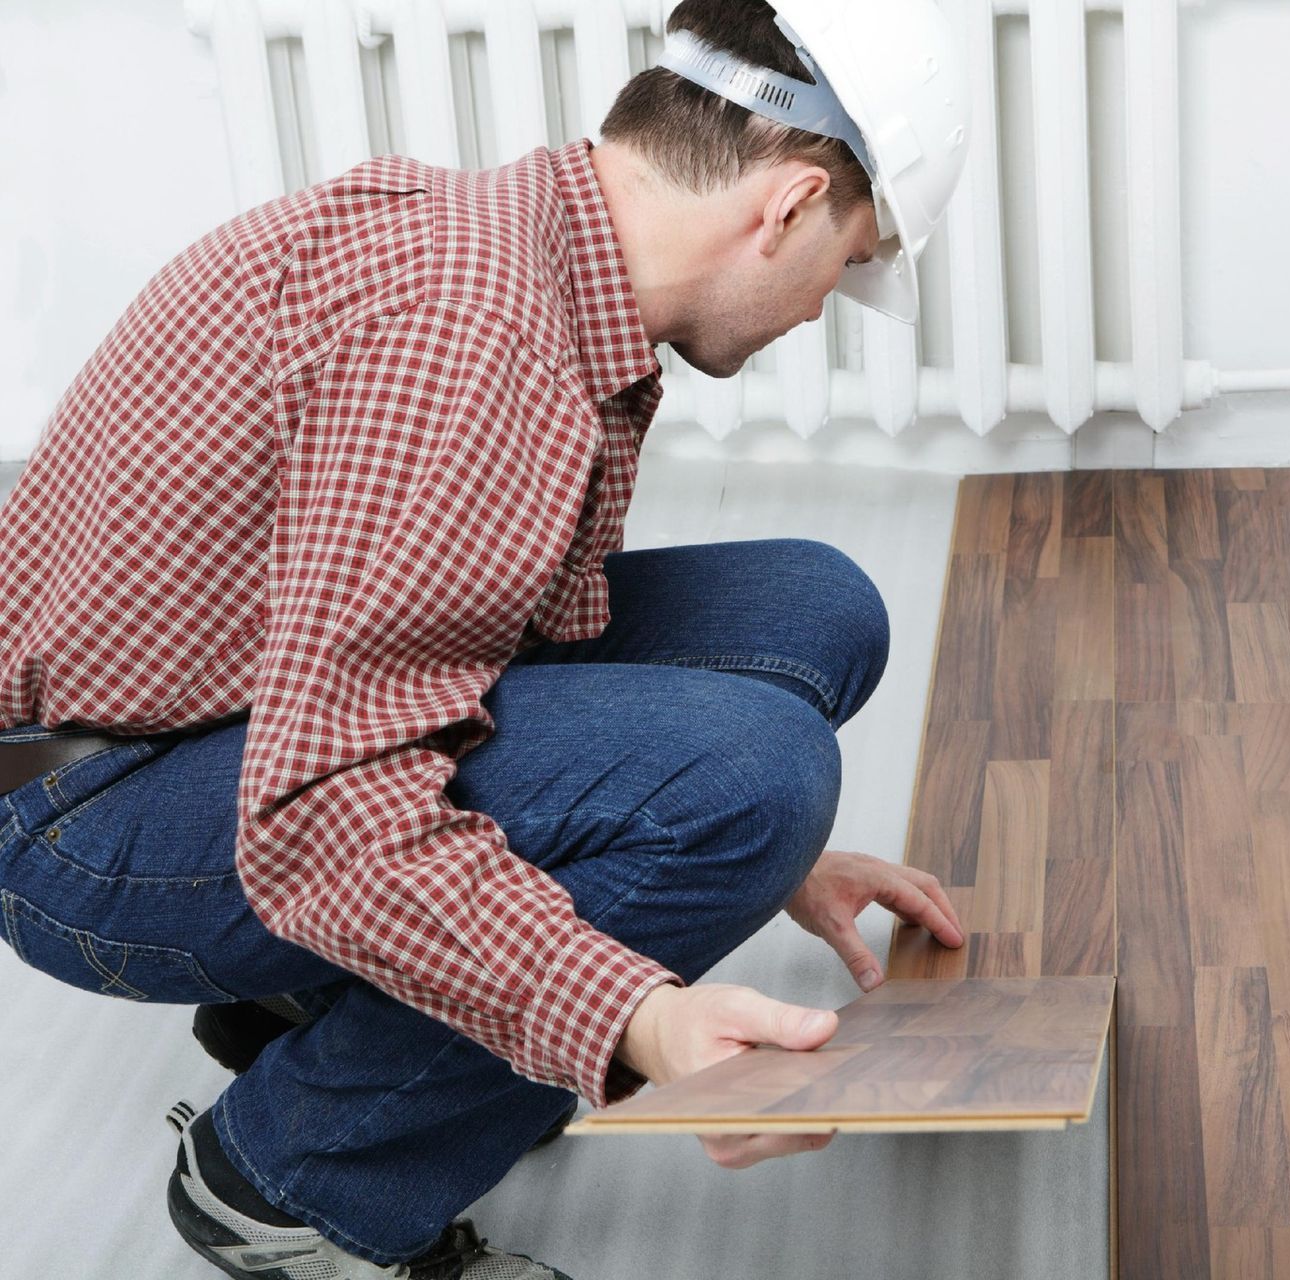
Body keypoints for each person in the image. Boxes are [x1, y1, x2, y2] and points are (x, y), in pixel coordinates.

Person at [0, 0, 973, 1275]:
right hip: (99, 815)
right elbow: (324, 812)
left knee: (814, 617)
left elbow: (485, 616)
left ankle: (341, 999)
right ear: (788, 204)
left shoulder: (527, 247)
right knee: (751, 774)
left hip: (236, 707)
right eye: (847, 262)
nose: (824, 303)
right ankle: (290, 1180)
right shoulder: (471, 343)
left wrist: (764, 861)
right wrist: (641, 1011)